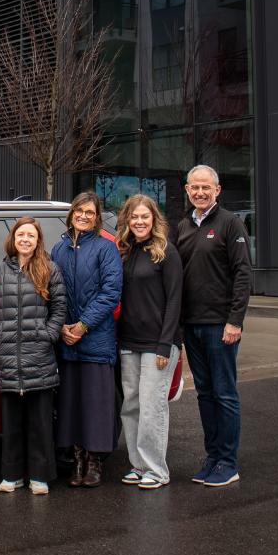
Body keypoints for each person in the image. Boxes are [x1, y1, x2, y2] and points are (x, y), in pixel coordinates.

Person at [175, 165, 251, 488]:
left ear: (217, 190)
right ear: (187, 190)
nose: (200, 192)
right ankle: (213, 456)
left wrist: (235, 320)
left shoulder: (230, 223)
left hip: (220, 326)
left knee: (224, 394)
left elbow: (243, 274)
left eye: (206, 187)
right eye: (195, 187)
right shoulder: (183, 226)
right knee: (205, 395)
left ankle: (228, 462)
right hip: (192, 326)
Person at [0, 217, 66, 495]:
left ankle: (40, 476)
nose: (25, 239)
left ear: (38, 240)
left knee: (40, 422)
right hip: (7, 356)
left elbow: (59, 308)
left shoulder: (49, 269)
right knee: (11, 423)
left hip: (38, 355)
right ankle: (12, 475)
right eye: (21, 235)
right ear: (13, 239)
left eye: (31, 235)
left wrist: (49, 335)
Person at [51, 192, 123, 488]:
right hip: (66, 341)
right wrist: (61, 327)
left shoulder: (106, 248)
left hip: (96, 339)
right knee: (71, 404)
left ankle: (94, 462)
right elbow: (52, 292)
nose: (83, 216)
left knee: (96, 404)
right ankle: (77, 459)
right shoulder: (58, 249)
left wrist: (82, 326)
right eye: (79, 211)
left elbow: (111, 293)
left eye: (89, 212)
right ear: (71, 214)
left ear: (97, 218)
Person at [116, 194, 182, 490]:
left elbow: (175, 301)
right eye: (134, 217)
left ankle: (156, 470)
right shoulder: (124, 252)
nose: (139, 222)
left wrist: (165, 344)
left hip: (158, 343)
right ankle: (138, 465)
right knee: (131, 405)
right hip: (129, 341)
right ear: (127, 220)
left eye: (145, 216)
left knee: (152, 406)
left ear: (154, 219)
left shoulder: (166, 252)